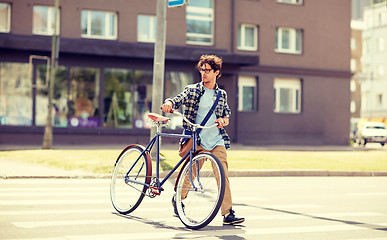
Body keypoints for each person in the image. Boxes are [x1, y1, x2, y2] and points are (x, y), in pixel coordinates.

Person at [161, 54, 245, 225]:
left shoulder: (222, 94)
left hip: (216, 140)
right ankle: (178, 199)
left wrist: (223, 121)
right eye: (202, 70)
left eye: (207, 70)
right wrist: (169, 102)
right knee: (191, 174)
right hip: (197, 140)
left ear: (216, 72)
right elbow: (177, 99)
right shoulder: (192, 90)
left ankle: (227, 213)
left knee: (222, 175)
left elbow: (226, 114)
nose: (204, 73)